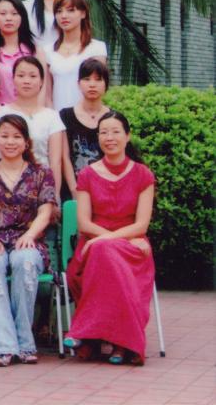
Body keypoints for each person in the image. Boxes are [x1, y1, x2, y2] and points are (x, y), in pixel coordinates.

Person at [63, 111, 156, 366]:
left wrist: (108, 240)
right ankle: (120, 343)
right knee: (102, 253)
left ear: (127, 136)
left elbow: (141, 224)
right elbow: (84, 224)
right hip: (95, 242)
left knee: (103, 252)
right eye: (103, 132)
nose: (109, 137)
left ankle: (85, 334)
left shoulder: (143, 174)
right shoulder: (87, 174)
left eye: (115, 132)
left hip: (132, 245)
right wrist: (105, 240)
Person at [0, 114, 57, 366]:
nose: (10, 142)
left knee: (25, 261)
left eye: (17, 136)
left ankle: (25, 343)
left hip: (29, 240)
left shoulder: (42, 173)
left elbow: (45, 212)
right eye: (5, 136)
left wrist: (29, 236)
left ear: (26, 142)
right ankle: (4, 347)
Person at [4, 56, 67, 196]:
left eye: (33, 76)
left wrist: (54, 196)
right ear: (13, 79)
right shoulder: (2, 113)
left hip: (41, 187)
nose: (26, 81)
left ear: (42, 81)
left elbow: (55, 162)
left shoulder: (52, 117)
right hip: (8, 188)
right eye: (21, 75)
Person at [46, 0, 109, 112]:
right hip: (57, 116)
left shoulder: (96, 48)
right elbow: (47, 94)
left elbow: (99, 88)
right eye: (59, 11)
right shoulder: (48, 51)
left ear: (83, 13)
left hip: (87, 115)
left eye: (71, 10)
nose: (64, 16)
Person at [60, 59, 112, 195]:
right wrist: (74, 190)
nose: (92, 84)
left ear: (106, 84)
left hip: (106, 190)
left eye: (98, 79)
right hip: (73, 190)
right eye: (87, 79)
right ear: (78, 84)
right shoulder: (65, 115)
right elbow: (64, 157)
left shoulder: (113, 118)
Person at [0, 0, 46, 105]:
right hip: (0, 112)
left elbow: (43, 89)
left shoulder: (35, 51)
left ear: (22, 17)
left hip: (30, 111)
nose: (9, 18)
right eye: (3, 14)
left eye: (14, 14)